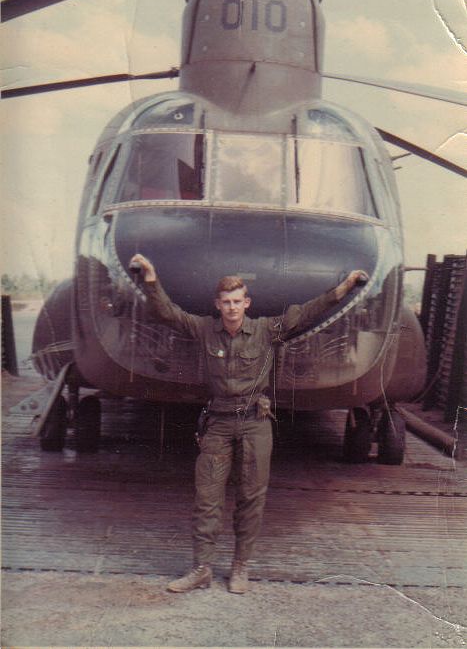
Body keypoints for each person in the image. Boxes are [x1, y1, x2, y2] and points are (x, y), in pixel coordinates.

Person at [129, 253, 368, 594]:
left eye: (237, 301)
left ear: (247, 303)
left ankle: (240, 567)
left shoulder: (266, 331)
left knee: (250, 497)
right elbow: (167, 312)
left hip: (255, 423)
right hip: (219, 424)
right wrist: (151, 278)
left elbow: (307, 312)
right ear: (218, 304)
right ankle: (201, 568)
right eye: (225, 302)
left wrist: (343, 288)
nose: (231, 308)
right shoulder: (203, 330)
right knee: (207, 497)